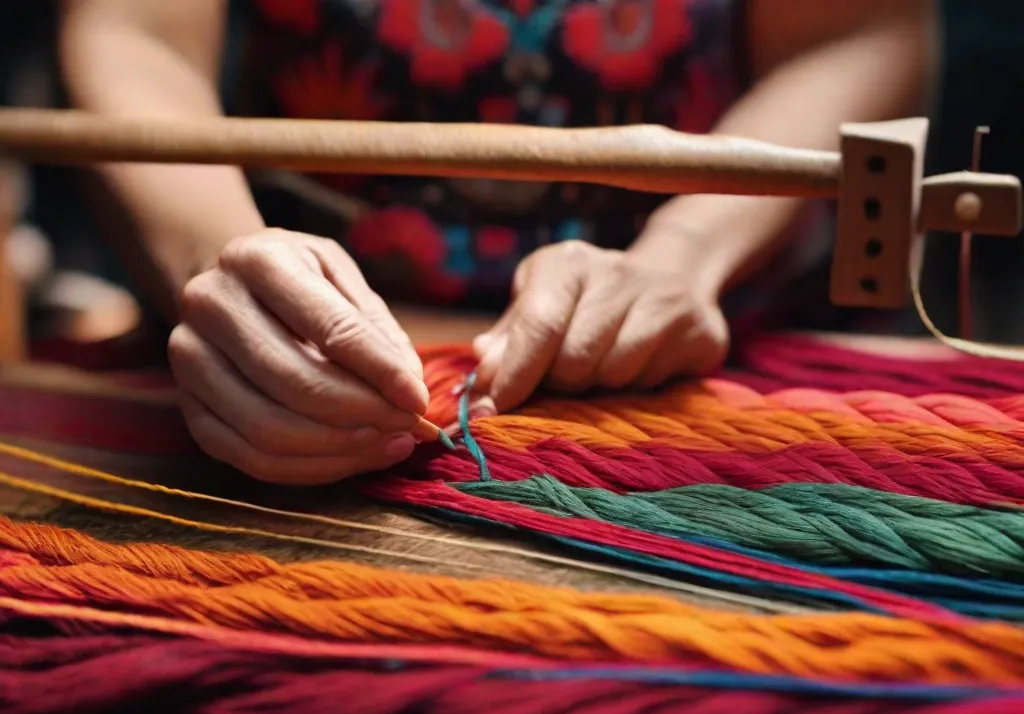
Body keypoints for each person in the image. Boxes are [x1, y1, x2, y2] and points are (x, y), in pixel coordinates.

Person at [58, 0, 936, 484]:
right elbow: (135, 30)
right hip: (295, 338)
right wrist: (225, 267)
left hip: (716, 352)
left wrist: (687, 249)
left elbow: (855, 31)